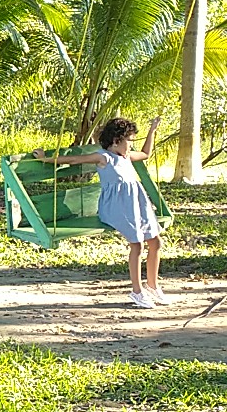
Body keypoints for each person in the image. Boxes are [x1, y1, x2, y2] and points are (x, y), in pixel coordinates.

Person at [33, 116, 171, 309]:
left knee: (156, 242)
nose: (131, 146)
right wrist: (45, 159)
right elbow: (74, 159)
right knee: (137, 245)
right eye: (129, 141)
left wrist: (152, 130)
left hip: (136, 205)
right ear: (116, 141)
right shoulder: (104, 157)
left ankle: (152, 285)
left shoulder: (126, 157)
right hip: (115, 207)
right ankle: (137, 291)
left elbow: (146, 154)